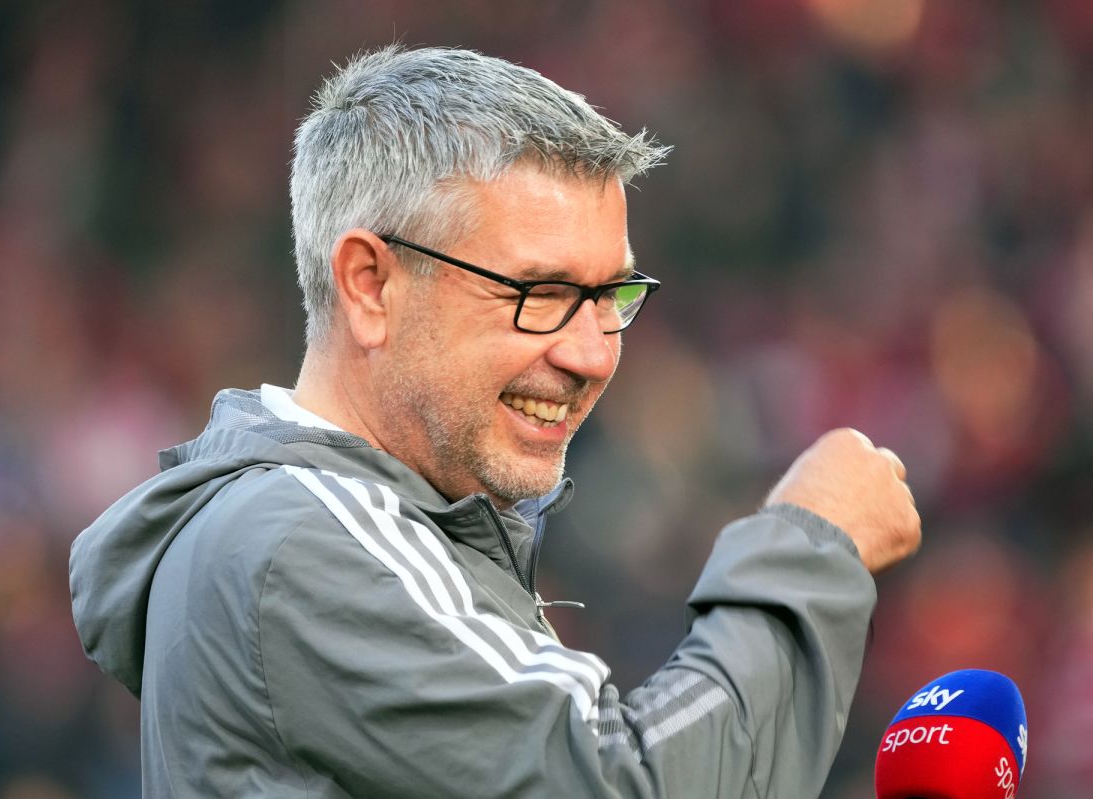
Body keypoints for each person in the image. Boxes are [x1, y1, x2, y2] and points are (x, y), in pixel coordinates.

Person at [70, 45, 920, 798]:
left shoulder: (355, 528)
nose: (592, 353)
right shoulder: (297, 542)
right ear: (370, 284)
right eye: (541, 293)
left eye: (612, 295)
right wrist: (812, 544)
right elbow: (623, 784)